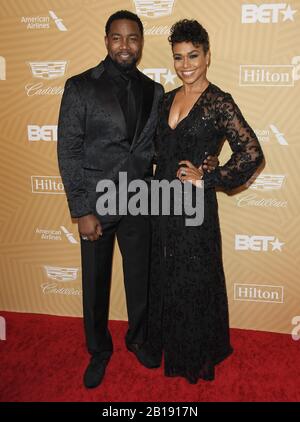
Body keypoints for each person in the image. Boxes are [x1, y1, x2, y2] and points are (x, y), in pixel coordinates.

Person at [58, 10, 218, 389]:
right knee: (95, 281)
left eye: (133, 38)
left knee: (140, 278)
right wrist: (81, 209)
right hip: (96, 204)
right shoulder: (80, 86)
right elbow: (68, 150)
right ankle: (99, 349)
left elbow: (165, 144)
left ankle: (138, 338)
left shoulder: (154, 91)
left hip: (139, 200)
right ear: (107, 40)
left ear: (141, 43)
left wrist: (206, 160)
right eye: (117, 37)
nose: (125, 45)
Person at [145, 19, 264, 384]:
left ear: (207, 56)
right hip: (161, 205)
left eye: (193, 55)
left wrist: (210, 176)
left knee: (195, 280)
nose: (186, 65)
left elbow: (251, 153)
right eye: (179, 57)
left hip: (194, 209)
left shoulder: (219, 102)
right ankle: (169, 346)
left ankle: (196, 356)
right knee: (167, 278)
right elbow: (154, 150)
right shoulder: (166, 98)